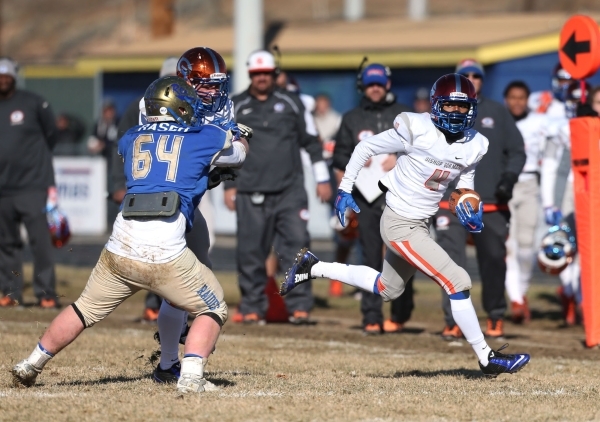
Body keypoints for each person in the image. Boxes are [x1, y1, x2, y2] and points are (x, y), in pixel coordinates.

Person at [281, 73, 530, 377]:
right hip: (399, 222)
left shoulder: (476, 144)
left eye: (462, 107)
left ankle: (312, 267)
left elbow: (463, 184)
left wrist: (468, 202)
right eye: (449, 106)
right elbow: (365, 148)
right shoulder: (416, 128)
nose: (455, 112)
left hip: (419, 223)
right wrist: (345, 190)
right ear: (437, 106)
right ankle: (486, 357)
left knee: (387, 288)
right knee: (458, 280)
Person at [11, 75, 248, 394]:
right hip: (165, 249)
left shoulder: (131, 136)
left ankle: (31, 363)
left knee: (83, 309)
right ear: (179, 107)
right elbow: (237, 155)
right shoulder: (203, 135)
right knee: (212, 307)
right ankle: (191, 376)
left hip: (119, 245)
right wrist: (240, 135)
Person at [225, 50, 331, 324]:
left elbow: (311, 141)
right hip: (250, 191)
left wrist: (322, 178)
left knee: (297, 248)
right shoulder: (236, 105)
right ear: (250, 75)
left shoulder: (293, 103)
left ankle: (299, 306)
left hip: (289, 191)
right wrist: (228, 186)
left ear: (275, 75)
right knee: (250, 252)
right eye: (256, 74)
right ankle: (251, 306)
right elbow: (226, 148)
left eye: (266, 74)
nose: (261, 78)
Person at [435, 59, 525, 339]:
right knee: (450, 262)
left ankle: (495, 316)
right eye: (465, 75)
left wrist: (508, 179)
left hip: (490, 202)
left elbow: (517, 151)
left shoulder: (498, 112)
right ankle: (453, 321)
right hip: (450, 202)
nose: (472, 78)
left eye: (477, 75)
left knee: (494, 261)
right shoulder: (442, 112)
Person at [333, 63, 412, 334]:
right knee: (368, 256)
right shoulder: (352, 118)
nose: (375, 89)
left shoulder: (404, 116)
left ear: (387, 85)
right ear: (363, 87)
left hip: (399, 196)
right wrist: (359, 159)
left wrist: (399, 157)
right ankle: (371, 315)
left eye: (379, 84)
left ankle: (401, 313)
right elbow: (340, 155)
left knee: (404, 253)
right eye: (370, 84)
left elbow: (421, 149)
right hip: (366, 198)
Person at [0, 57, 60, 308]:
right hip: (3, 190)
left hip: (32, 185)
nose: (3, 80)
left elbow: (52, 134)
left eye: (7, 75)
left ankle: (46, 293)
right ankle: (10, 292)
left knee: (40, 242)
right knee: (6, 244)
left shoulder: (33, 103)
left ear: (14, 77)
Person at [502, 81, 550, 323]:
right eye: (512, 97)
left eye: (521, 97)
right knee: (509, 246)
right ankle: (517, 299)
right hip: (506, 185)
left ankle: (522, 290)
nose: (517, 102)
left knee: (527, 245)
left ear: (528, 100)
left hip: (531, 183)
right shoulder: (500, 121)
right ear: (505, 99)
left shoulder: (540, 122)